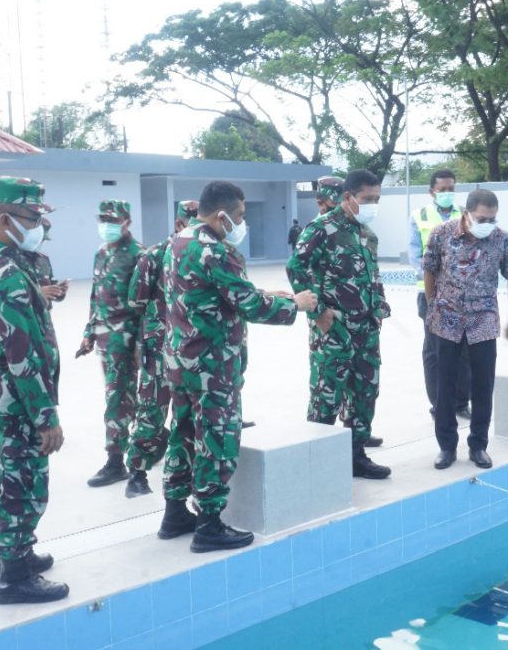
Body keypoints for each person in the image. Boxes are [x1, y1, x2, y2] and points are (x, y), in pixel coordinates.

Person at [161, 181, 316, 551]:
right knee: (217, 439)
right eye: (241, 216)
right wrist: (295, 304)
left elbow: (215, 293)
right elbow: (248, 305)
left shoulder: (177, 243)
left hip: (180, 360)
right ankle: (210, 525)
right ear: (221, 215)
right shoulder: (218, 250)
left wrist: (267, 293)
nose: (242, 223)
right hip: (212, 365)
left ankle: (174, 513)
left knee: (182, 433)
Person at [0, 176, 67, 604]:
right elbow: (21, 354)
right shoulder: (6, 272)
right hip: (13, 394)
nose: (40, 224)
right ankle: (13, 576)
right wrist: (46, 417)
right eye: (32, 217)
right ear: (5, 218)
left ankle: (17, 551)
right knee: (23, 480)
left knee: (4, 476)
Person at [287, 169, 393, 479]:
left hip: (367, 330)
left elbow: (372, 274)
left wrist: (380, 308)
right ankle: (316, 464)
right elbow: (296, 267)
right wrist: (317, 311)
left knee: (365, 393)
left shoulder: (367, 233)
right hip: (334, 331)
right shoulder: (322, 228)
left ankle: (355, 456)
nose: (373, 204)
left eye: (377, 199)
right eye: (367, 199)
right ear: (348, 197)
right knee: (326, 396)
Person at [424, 189, 508, 470]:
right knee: (445, 387)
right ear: (466, 213)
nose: (487, 223)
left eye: (492, 218)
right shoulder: (441, 234)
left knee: (482, 386)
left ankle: (478, 445)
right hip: (447, 319)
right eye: (482, 218)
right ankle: (446, 447)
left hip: (483, 321)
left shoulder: (502, 239)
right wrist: (432, 307)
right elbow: (429, 269)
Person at [124, 200, 194, 498]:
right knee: (151, 411)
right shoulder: (154, 256)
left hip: (193, 349)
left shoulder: (206, 254)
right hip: (159, 347)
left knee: (188, 415)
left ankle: (184, 477)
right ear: (179, 224)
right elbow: (135, 300)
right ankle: (137, 473)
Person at [79, 200, 144, 488]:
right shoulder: (101, 252)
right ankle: (147, 446)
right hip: (105, 338)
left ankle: (116, 461)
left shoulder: (138, 255)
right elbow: (96, 295)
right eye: (103, 219)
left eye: (112, 220)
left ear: (127, 222)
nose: (106, 225)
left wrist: (142, 346)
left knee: (117, 398)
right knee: (124, 397)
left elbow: (146, 305)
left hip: (126, 339)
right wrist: (89, 331)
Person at [409, 169, 472, 421]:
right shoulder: (419, 216)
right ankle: (439, 404)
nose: (447, 193)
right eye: (442, 189)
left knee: (464, 349)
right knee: (435, 351)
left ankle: (460, 402)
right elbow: (415, 255)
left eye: (451, 189)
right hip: (430, 293)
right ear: (432, 191)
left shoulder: (466, 215)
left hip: (462, 294)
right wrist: (436, 278)